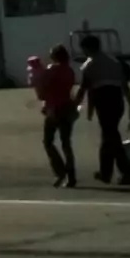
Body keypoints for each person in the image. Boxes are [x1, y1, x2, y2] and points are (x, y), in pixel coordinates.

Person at [75, 30, 130, 188]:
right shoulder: (114, 62)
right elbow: (125, 86)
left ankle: (126, 173)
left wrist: (75, 105)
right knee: (109, 135)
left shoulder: (89, 65)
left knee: (112, 137)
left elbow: (84, 88)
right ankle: (105, 172)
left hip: (103, 100)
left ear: (87, 49)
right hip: (117, 100)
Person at [25, 41, 80, 188]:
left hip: (54, 108)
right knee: (66, 143)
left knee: (48, 141)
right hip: (68, 106)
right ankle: (71, 175)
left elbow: (42, 92)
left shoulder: (51, 70)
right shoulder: (69, 70)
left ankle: (60, 172)